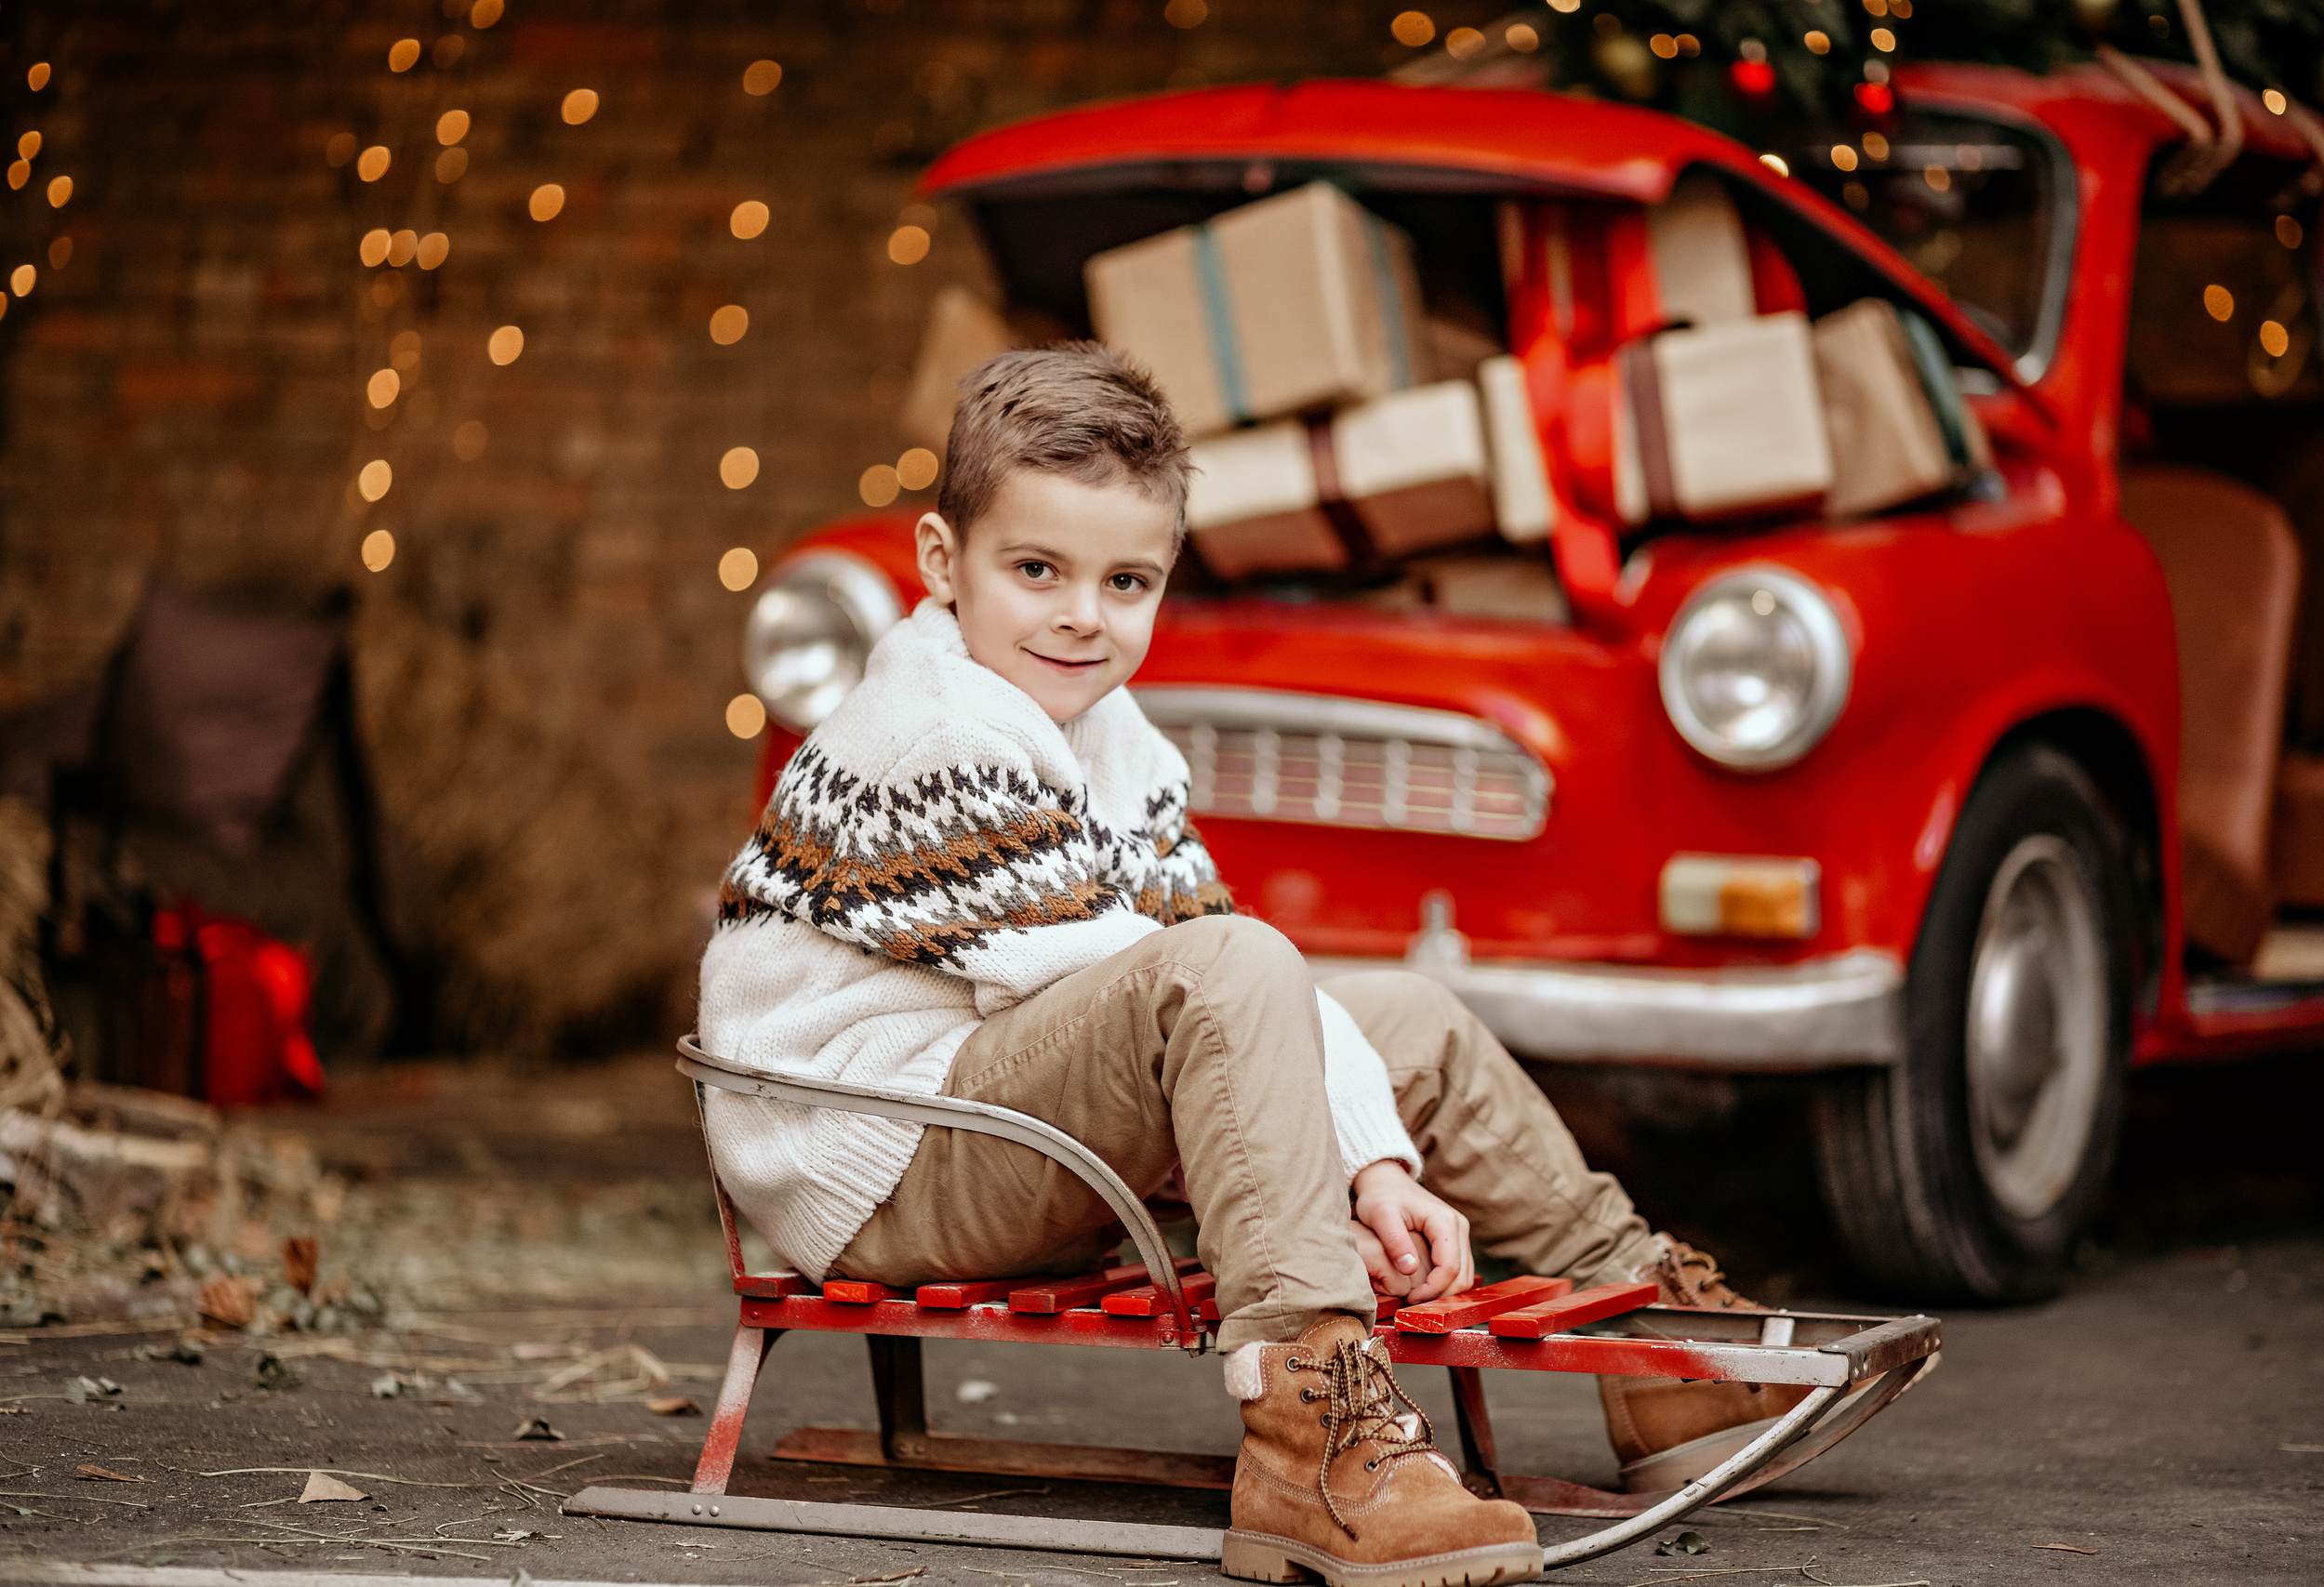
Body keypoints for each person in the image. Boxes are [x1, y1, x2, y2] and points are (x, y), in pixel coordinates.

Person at [700, 345, 1798, 1587]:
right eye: (1036, 570)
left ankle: (1649, 1334)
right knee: (1228, 973)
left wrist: (1368, 1158)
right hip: (883, 1160)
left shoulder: (1108, 730)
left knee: (1408, 1017)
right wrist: (1359, 1171)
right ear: (943, 563)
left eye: (1126, 581)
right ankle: (1307, 1425)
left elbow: (1232, 989)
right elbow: (1183, 986)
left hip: (1000, 1113)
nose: (1082, 615)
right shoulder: (938, 732)